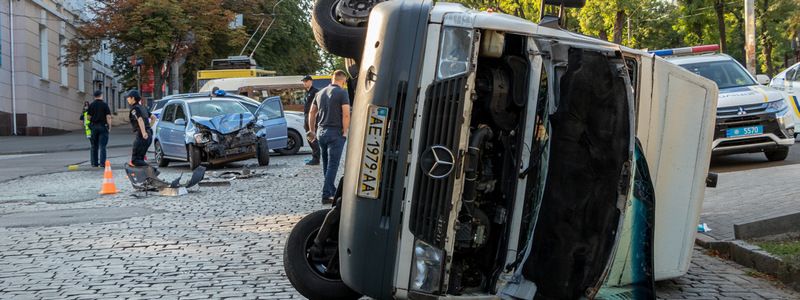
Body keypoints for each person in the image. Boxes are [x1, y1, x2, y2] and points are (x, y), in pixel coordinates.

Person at [308, 70, 350, 204]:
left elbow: (311, 113)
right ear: (343, 80)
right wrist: (345, 132)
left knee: (326, 164)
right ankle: (326, 195)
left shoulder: (319, 93)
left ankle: (331, 189)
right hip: (335, 132)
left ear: (332, 79)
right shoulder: (342, 93)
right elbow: (346, 114)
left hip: (321, 132)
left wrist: (311, 130)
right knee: (333, 164)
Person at [86, 91, 112, 167]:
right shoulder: (105, 105)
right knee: (103, 146)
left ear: (94, 96)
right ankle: (102, 163)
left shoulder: (91, 105)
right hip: (103, 126)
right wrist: (109, 126)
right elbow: (108, 117)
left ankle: (94, 163)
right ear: (101, 95)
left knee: (94, 145)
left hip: (94, 127)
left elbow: (88, 117)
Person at [126, 90, 153, 167]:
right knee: (140, 159)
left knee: (135, 160)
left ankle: (152, 169)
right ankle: (145, 175)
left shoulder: (134, 109)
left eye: (128, 97)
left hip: (141, 135)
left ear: (133, 98)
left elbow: (140, 119)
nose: (127, 99)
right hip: (149, 134)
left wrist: (144, 132)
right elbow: (153, 117)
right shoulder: (143, 107)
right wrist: (148, 128)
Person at [302, 75, 320, 166]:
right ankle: (314, 156)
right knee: (308, 136)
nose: (304, 83)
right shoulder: (307, 92)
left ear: (310, 81)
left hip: (312, 117)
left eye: (306, 81)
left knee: (312, 136)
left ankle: (316, 158)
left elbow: (317, 107)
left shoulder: (315, 92)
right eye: (303, 81)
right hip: (306, 116)